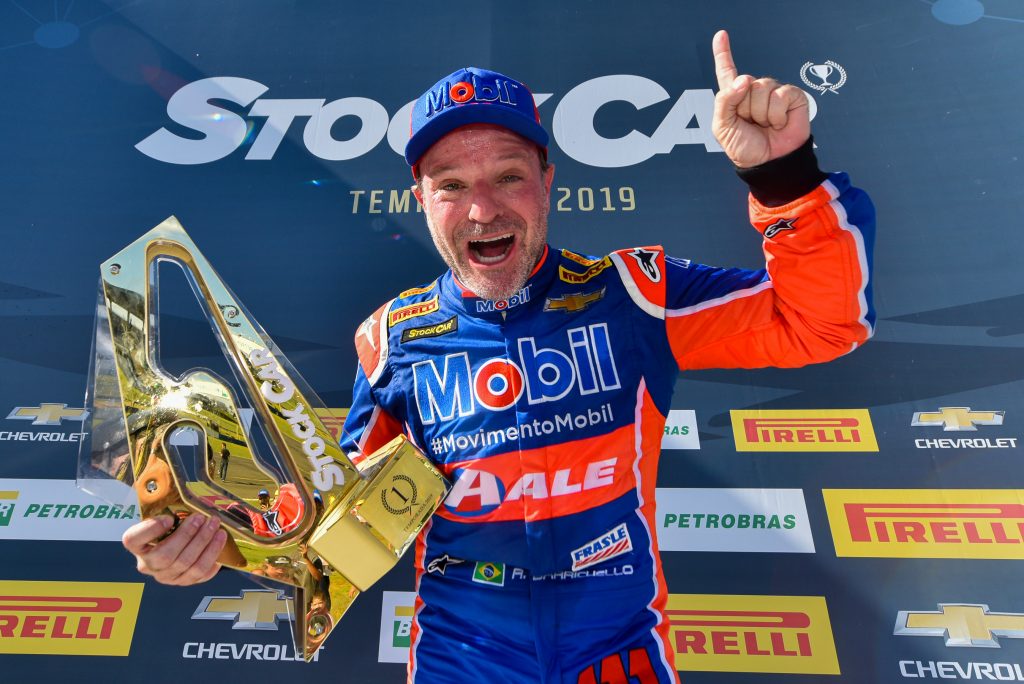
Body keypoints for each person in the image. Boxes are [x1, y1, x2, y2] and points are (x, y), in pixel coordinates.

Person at [120, 30, 874, 683]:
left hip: (618, 649)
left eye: (508, 175)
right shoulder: (392, 339)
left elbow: (820, 323)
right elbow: (330, 525)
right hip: (462, 656)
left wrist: (784, 178)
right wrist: (215, 543)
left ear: (548, 183)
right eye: (452, 185)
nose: (483, 210)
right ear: (422, 200)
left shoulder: (636, 294)